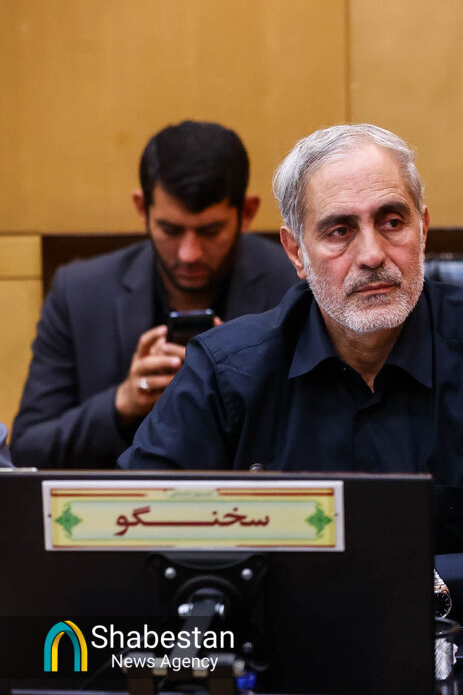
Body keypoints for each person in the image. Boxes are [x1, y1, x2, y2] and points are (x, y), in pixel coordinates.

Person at [119, 123, 463, 623]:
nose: (372, 255)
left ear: (423, 229)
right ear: (296, 253)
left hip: (460, 647)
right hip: (278, 651)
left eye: (393, 222)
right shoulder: (226, 370)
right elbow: (128, 527)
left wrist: (417, 587)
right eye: (339, 231)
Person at [10, 121, 300, 471]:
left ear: (247, 213)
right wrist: (122, 403)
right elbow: (27, 450)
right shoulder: (79, 293)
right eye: (170, 230)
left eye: (210, 231)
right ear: (141, 208)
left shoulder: (293, 287)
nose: (189, 253)